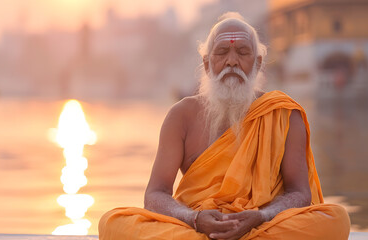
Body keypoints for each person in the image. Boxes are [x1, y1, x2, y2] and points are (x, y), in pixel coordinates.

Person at [99, 12, 350, 240]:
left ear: (259, 63)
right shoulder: (181, 115)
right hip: (195, 227)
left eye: (242, 52)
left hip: (261, 226)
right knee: (112, 222)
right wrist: (194, 219)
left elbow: (299, 193)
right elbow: (155, 194)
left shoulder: (284, 115)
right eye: (222, 53)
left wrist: (261, 217)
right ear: (207, 65)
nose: (232, 62)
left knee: (336, 219)